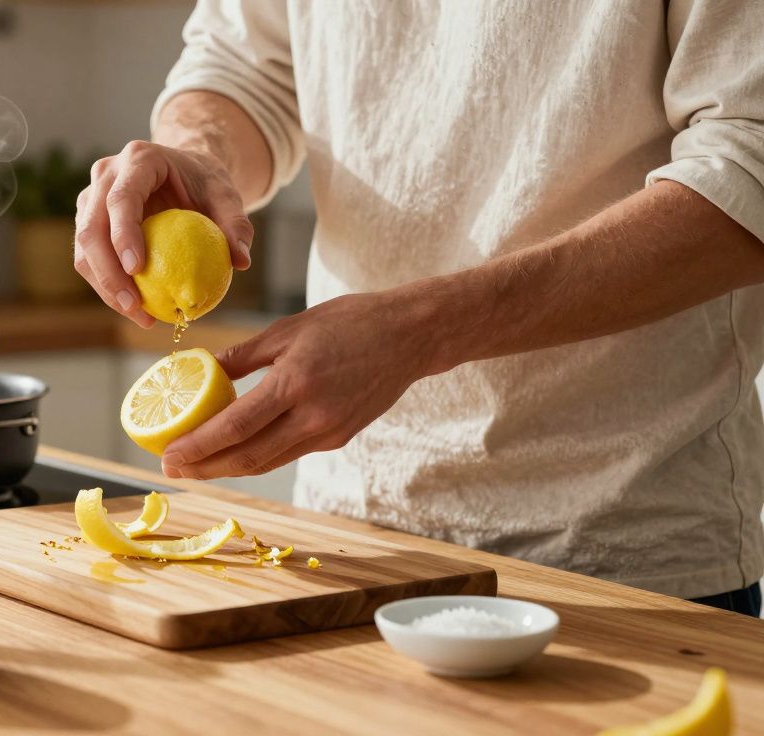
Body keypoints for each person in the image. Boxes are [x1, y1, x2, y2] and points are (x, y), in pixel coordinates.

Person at [73, 1, 764, 617]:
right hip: (349, 540)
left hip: (625, 548)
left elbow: (747, 159)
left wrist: (417, 331)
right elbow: (243, 67)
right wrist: (200, 153)